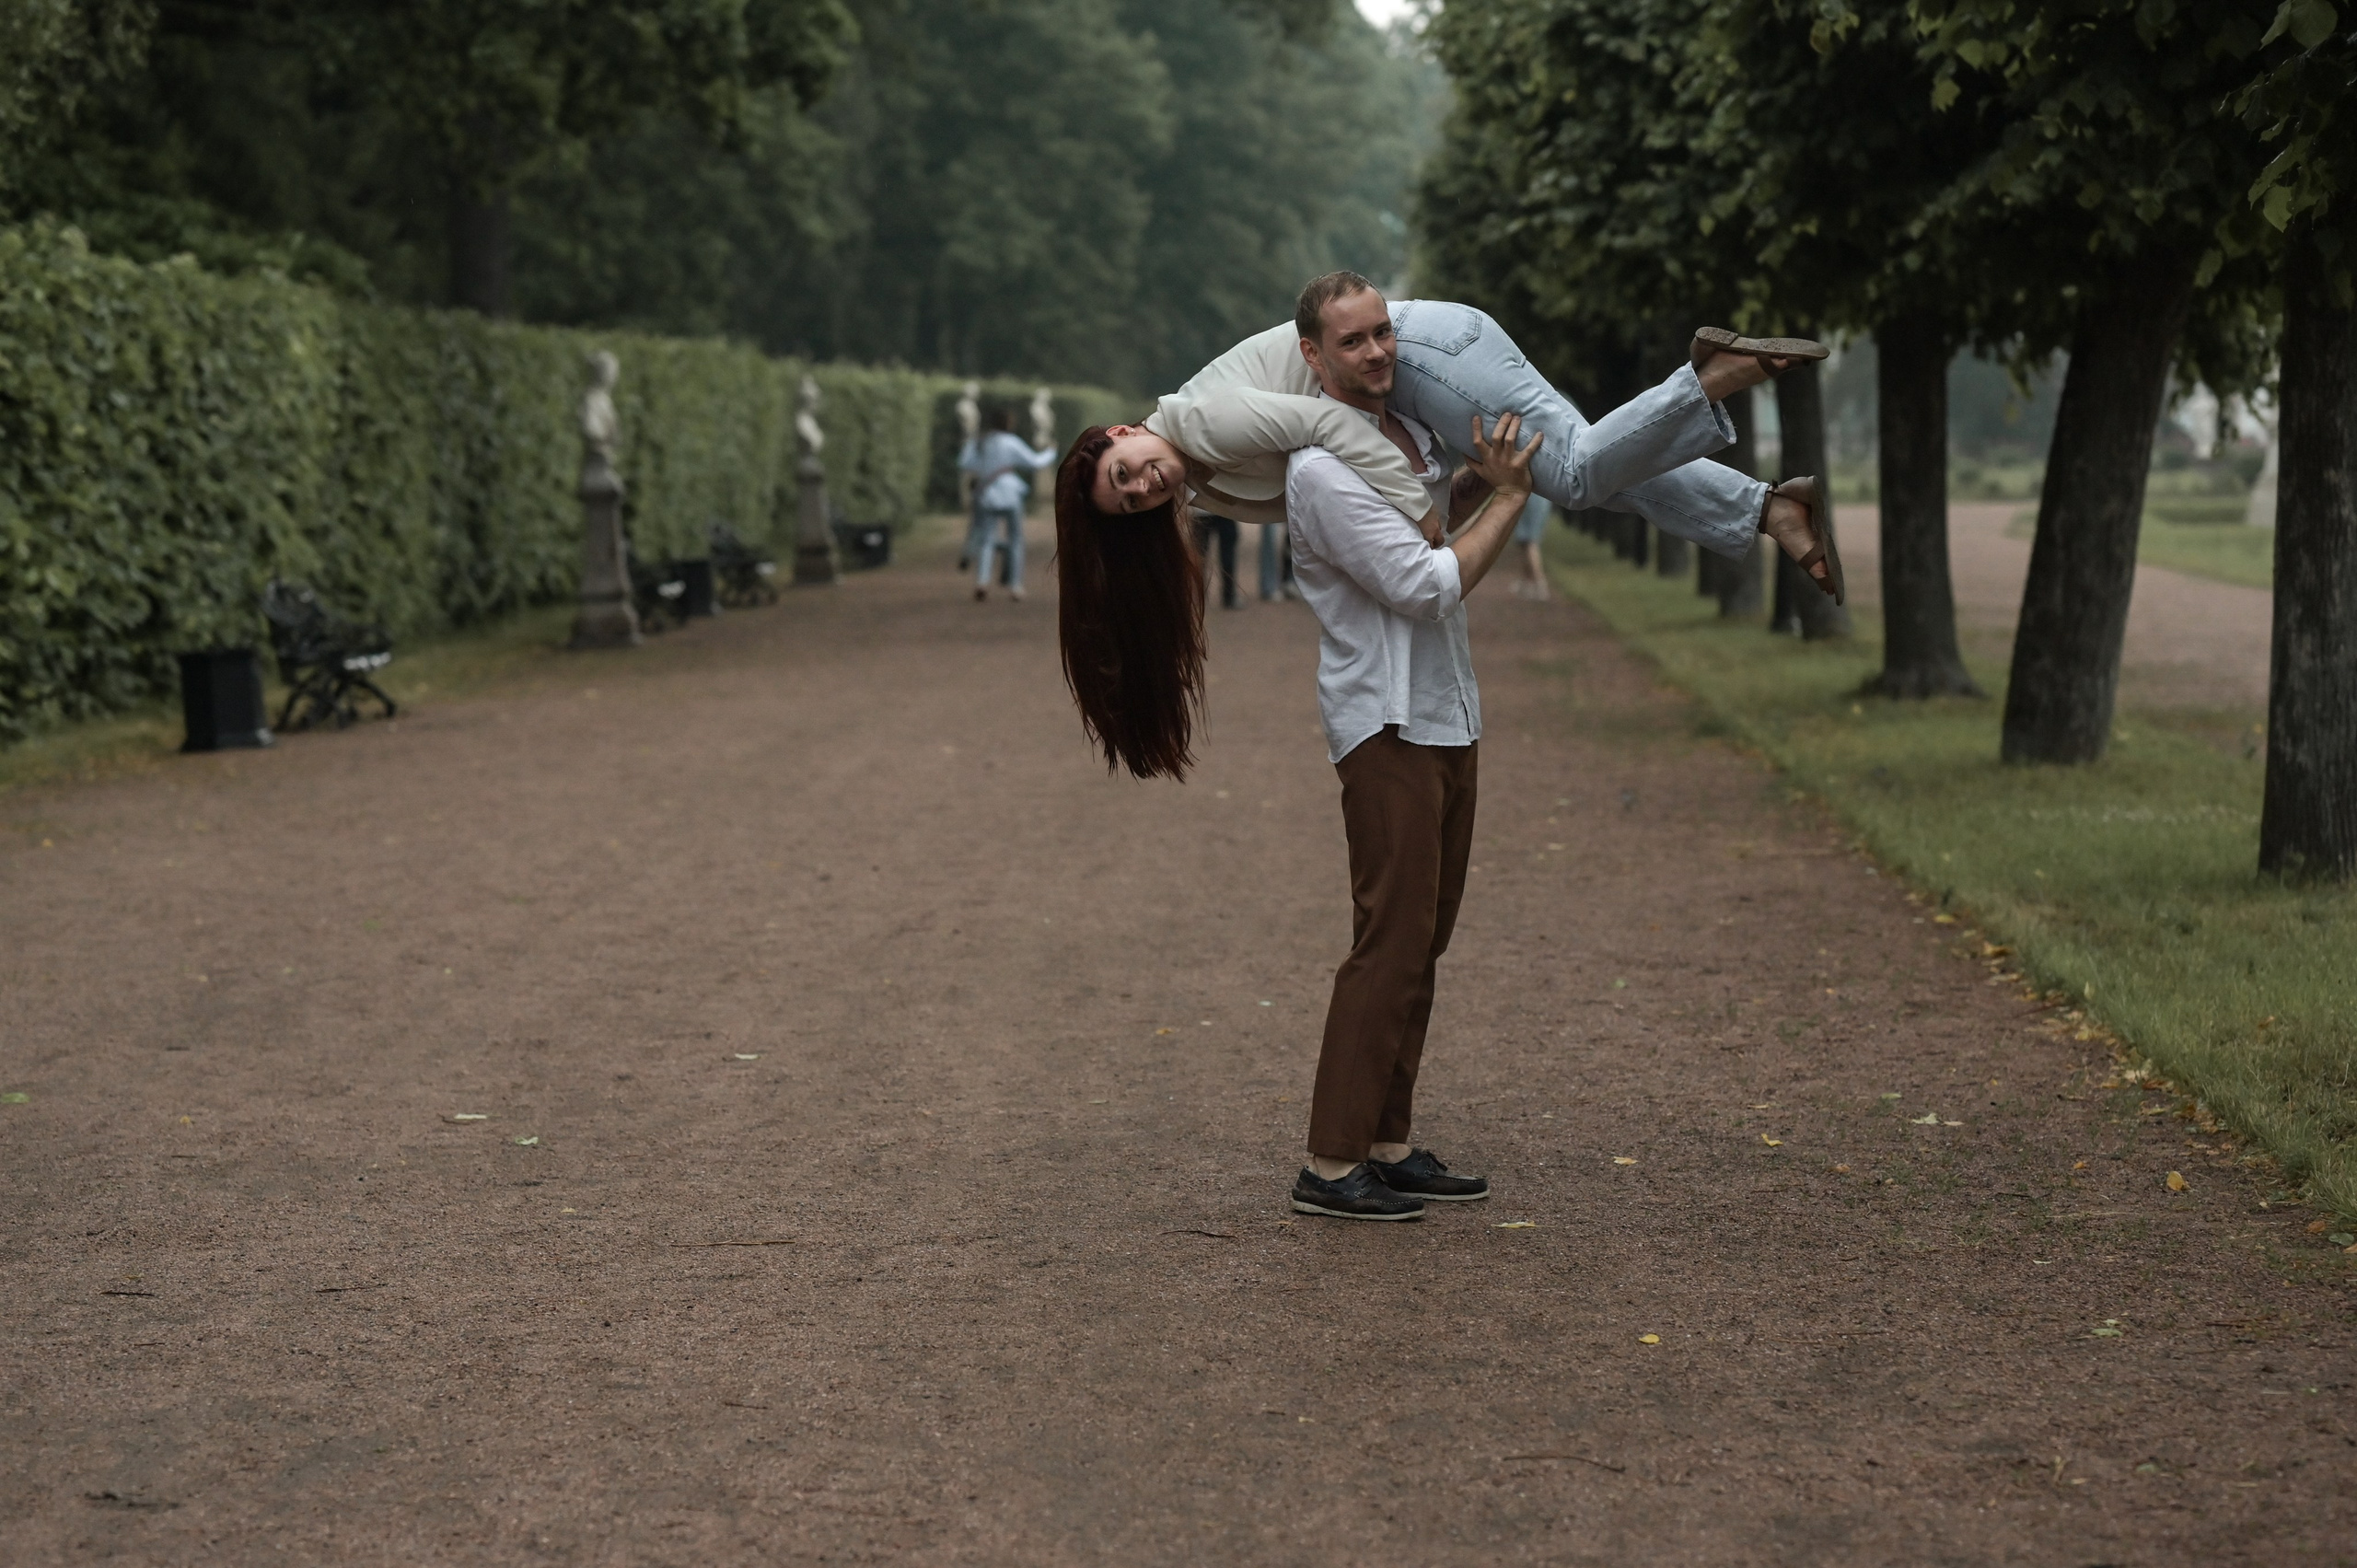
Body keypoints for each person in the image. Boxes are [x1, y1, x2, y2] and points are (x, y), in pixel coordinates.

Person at [1082, 276, 1843, 605]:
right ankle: (1768, 508)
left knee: (1574, 474)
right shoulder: (1203, 479)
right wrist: (1450, 486)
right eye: (1131, 503)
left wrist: (1423, 515)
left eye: (1125, 473)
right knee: (1573, 470)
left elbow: (1330, 423)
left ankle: (1708, 377)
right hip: (1407, 374)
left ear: (1123, 433)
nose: (1143, 487)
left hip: (1412, 351)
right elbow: (1341, 471)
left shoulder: (1197, 419)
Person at [958, 408, 1057, 601]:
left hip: (986, 494)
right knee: (1016, 540)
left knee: (987, 539)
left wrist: (983, 468)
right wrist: (1051, 452)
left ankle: (982, 582)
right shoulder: (1011, 442)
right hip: (1010, 494)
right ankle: (1015, 586)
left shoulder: (979, 442)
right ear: (1008, 423)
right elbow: (1035, 462)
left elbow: (964, 462)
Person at [1194, 512, 1241, 610]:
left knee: (1199, 555)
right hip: (1223, 508)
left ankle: (1199, 595)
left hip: (1202, 510)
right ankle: (1228, 596)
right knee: (1226, 554)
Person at [1510, 492, 1552, 599]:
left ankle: (1539, 583)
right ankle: (1528, 581)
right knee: (1524, 541)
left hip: (1533, 497)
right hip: (1533, 496)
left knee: (1530, 542)